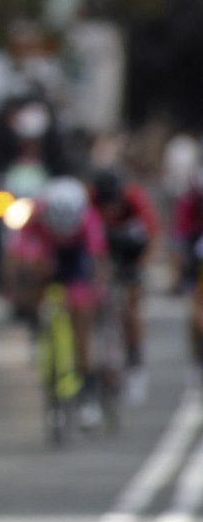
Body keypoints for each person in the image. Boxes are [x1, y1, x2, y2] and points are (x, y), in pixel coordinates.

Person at [6, 176, 109, 425]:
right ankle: (38, 328)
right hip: (48, 254)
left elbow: (97, 261)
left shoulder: (88, 219)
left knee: (80, 317)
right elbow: (14, 259)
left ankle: (87, 392)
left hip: (76, 260)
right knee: (36, 271)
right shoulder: (34, 215)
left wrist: (97, 293)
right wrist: (16, 296)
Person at [90, 168, 156, 404]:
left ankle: (135, 362)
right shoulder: (90, 200)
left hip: (130, 250)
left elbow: (151, 235)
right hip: (103, 247)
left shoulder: (134, 198)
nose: (108, 207)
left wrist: (140, 266)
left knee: (131, 307)